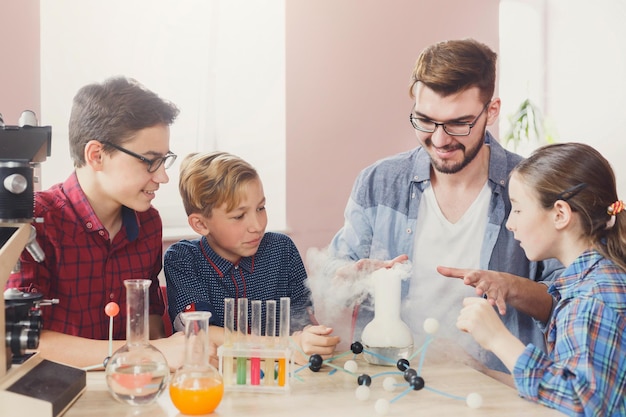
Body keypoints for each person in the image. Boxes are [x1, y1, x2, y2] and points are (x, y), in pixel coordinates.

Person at [325, 38, 562, 373]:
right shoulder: (379, 182)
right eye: (425, 120)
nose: (439, 140)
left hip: (496, 386)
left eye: (458, 123)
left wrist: (511, 287)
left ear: (491, 111)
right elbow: (330, 274)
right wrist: (347, 278)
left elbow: (566, 304)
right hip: (387, 377)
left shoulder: (532, 189)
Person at [7, 76, 185, 370]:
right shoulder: (34, 221)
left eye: (165, 160)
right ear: (96, 155)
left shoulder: (149, 223)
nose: (163, 176)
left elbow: (152, 320)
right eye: (149, 161)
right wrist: (151, 353)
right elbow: (28, 342)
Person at [457, 142, 626, 416]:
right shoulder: (588, 282)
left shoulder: (593, 298)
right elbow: (559, 387)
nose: (510, 223)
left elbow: (583, 405)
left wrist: (498, 339)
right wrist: (480, 372)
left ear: (560, 214)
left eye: (519, 210)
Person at [164, 151, 340, 365]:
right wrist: (285, 346)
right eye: (239, 216)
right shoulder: (183, 259)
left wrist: (313, 340)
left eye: (261, 208)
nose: (257, 226)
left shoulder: (282, 249)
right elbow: (199, 333)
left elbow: (301, 324)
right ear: (201, 224)